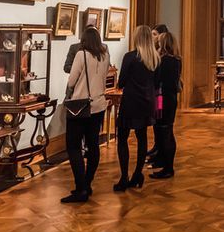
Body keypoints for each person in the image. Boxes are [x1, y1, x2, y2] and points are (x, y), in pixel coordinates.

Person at [60, 26, 110, 203]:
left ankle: (80, 188)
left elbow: (72, 79)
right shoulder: (105, 54)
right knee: (93, 145)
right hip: (99, 104)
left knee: (73, 147)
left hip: (80, 105)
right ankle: (87, 183)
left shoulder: (81, 55)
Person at [115, 25, 159, 191]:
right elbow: (156, 83)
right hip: (148, 101)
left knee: (122, 138)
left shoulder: (130, 57)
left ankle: (124, 176)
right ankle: (137, 173)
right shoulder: (155, 58)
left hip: (131, 101)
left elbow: (122, 81)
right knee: (142, 138)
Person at [148, 31, 181, 179]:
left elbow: (157, 80)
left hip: (163, 98)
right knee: (165, 130)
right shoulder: (176, 59)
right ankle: (164, 162)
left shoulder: (165, 61)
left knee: (165, 130)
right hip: (170, 98)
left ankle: (168, 168)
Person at [144, 23, 172, 165]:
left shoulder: (167, 58)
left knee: (163, 125)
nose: (152, 38)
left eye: (155, 35)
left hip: (162, 95)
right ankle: (158, 148)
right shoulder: (156, 53)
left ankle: (162, 154)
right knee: (157, 123)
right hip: (158, 95)